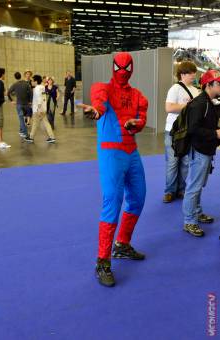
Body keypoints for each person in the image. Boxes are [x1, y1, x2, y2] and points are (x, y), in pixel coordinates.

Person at [79, 52, 148, 287]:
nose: (122, 72)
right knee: (113, 201)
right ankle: (102, 262)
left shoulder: (138, 95)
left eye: (126, 68)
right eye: (119, 67)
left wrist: (134, 124)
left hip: (132, 152)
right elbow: (99, 104)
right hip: (111, 153)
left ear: (132, 68)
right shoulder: (102, 88)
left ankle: (122, 244)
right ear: (112, 67)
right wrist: (95, 112)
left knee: (138, 198)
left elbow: (141, 119)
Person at [183, 70, 220, 237]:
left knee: (198, 185)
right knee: (194, 186)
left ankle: (196, 213)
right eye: (218, 83)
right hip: (199, 150)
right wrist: (216, 134)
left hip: (205, 149)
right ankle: (189, 221)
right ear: (209, 85)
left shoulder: (209, 102)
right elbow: (193, 129)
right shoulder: (200, 103)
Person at [163, 61, 200, 203]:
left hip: (188, 132)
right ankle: (169, 191)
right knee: (173, 162)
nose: (193, 76)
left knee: (185, 162)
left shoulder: (197, 91)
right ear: (183, 74)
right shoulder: (175, 89)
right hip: (173, 131)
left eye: (193, 73)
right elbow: (169, 108)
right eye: (191, 73)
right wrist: (188, 106)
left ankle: (181, 190)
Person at [24, 75, 55, 144]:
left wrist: (38, 109)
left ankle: (31, 137)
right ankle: (52, 137)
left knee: (35, 123)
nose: (31, 82)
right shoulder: (43, 87)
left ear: (36, 81)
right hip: (43, 108)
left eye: (32, 80)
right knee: (46, 123)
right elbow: (43, 98)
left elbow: (39, 100)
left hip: (38, 110)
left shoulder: (37, 89)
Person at [7, 72, 32, 138]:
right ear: (21, 76)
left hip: (19, 104)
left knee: (21, 119)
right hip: (26, 104)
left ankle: (24, 132)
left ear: (15, 77)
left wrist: (11, 100)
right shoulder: (26, 84)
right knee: (23, 118)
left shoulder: (15, 84)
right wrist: (30, 101)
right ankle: (23, 132)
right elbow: (31, 92)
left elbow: (8, 92)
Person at [0, 68, 11, 149]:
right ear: (2, 74)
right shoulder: (0, 82)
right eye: (4, 74)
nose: (5, 75)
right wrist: (2, 100)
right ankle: (1, 142)